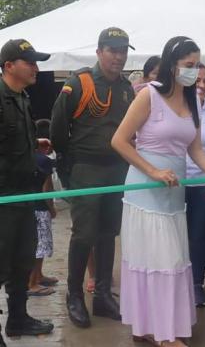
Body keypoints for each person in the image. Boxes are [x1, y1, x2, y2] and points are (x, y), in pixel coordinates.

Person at [112, 36, 205, 347]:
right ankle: (161, 334)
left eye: (196, 65)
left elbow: (195, 150)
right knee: (157, 258)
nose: (194, 72)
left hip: (173, 192)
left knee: (168, 258)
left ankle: (149, 325)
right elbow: (118, 141)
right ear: (171, 66)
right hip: (145, 190)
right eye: (188, 65)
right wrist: (153, 171)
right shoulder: (148, 96)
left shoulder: (193, 101)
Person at [51, 27, 136, 328]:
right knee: (84, 233)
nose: (119, 56)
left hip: (116, 168)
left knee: (108, 232)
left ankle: (102, 295)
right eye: (113, 50)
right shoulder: (80, 82)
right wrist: (68, 167)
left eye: (123, 51)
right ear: (100, 52)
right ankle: (74, 295)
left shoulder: (126, 88)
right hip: (86, 168)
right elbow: (58, 129)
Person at [0, 39, 54, 345]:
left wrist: (35, 144)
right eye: (29, 62)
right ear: (9, 66)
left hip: (24, 194)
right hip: (3, 198)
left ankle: (18, 319)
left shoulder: (22, 98)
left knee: (22, 261)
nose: (36, 68)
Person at [185, 63, 205, 307]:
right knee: (175, 237)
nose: (202, 86)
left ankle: (195, 284)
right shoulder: (178, 108)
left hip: (204, 182)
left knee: (199, 237)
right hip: (174, 181)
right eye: (197, 81)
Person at [27, 119, 58, 297]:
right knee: (41, 246)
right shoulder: (44, 161)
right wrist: (52, 208)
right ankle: (33, 282)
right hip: (40, 208)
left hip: (27, 207)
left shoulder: (26, 157)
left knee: (35, 244)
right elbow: (47, 187)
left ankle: (38, 276)